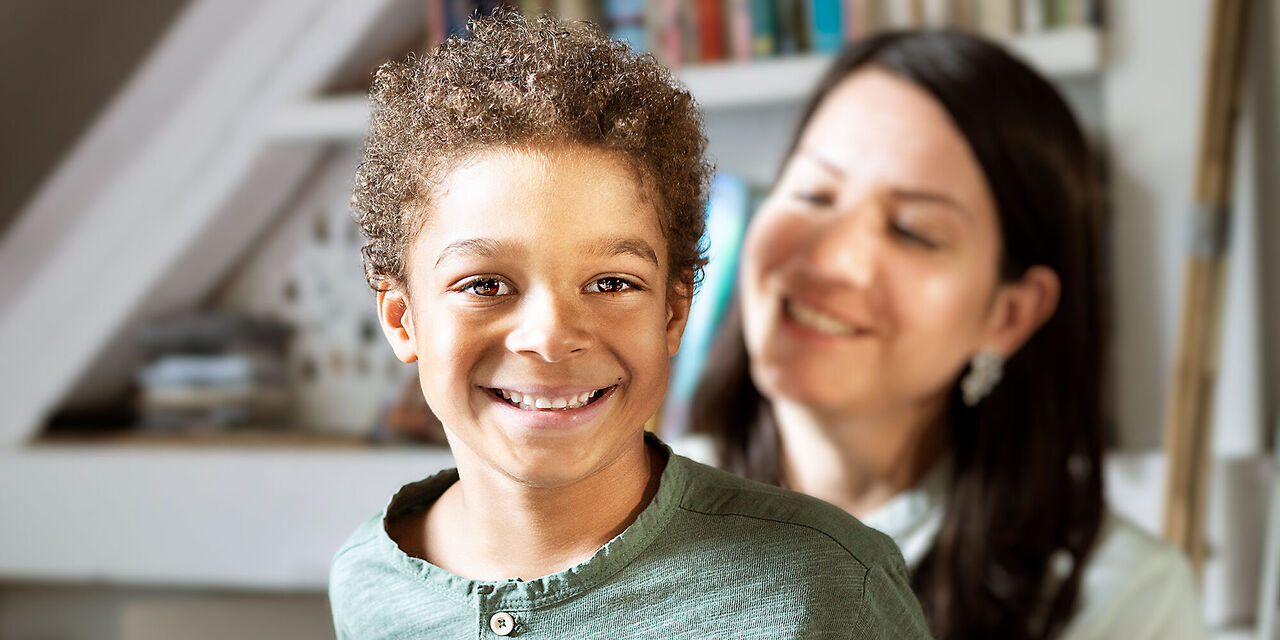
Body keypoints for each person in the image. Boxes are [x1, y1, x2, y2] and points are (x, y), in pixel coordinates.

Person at [329, 11, 931, 639]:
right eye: (485, 285)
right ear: (402, 320)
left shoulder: (829, 585)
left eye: (611, 283)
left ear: (673, 313)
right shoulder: (367, 581)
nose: (552, 335)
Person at [692, 31, 1207, 639]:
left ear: (1009, 315)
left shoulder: (1121, 600)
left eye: (913, 231)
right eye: (814, 193)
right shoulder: (616, 515)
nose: (834, 257)